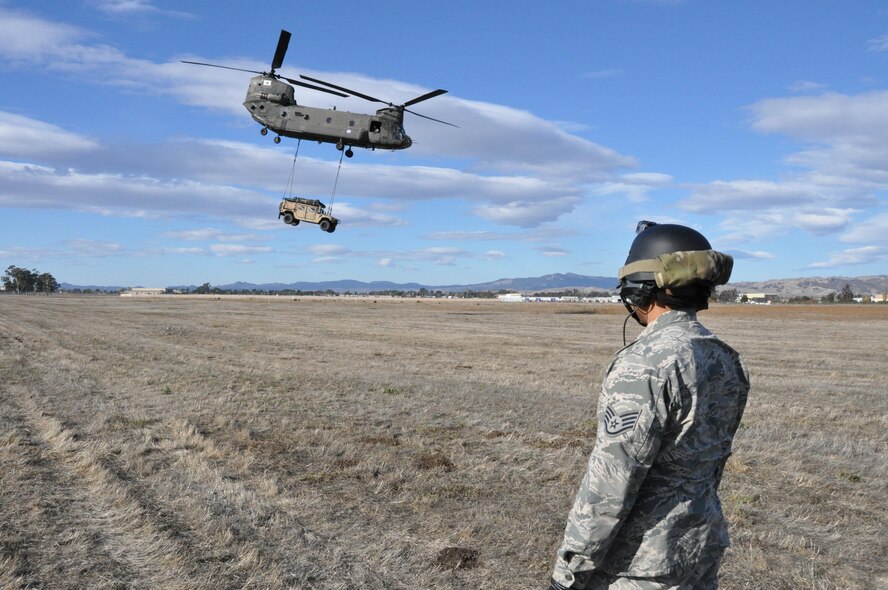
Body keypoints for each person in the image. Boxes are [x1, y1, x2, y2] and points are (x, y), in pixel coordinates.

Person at [549, 221, 750, 590]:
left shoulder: (645, 364)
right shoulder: (726, 359)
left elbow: (612, 481)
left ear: (643, 289)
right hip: (699, 550)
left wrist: (570, 571)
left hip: (640, 566)